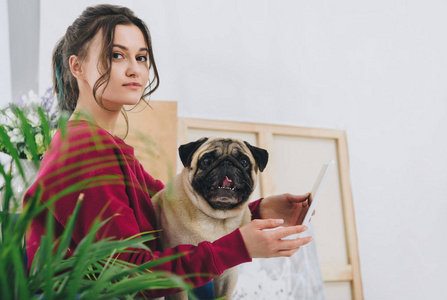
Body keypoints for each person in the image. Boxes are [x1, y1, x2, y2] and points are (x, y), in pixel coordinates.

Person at [24, 4, 313, 298]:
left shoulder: (97, 144)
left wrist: (258, 211)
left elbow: (170, 215)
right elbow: (135, 276)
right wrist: (240, 246)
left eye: (141, 57)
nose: (134, 69)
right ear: (77, 66)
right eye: (116, 55)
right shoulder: (87, 154)